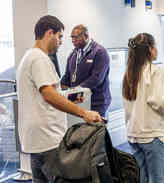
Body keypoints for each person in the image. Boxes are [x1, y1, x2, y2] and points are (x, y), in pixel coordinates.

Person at [16, 15, 102, 183]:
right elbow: (48, 94)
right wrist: (83, 113)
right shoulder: (39, 59)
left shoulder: (29, 57)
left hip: (37, 140)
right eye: (60, 36)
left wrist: (68, 97)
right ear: (49, 33)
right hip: (48, 140)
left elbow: (47, 93)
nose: (61, 41)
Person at [122, 33, 164, 183]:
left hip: (134, 134)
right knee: (159, 179)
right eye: (155, 46)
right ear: (150, 50)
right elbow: (159, 101)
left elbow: (127, 107)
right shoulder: (155, 71)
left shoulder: (129, 73)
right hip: (152, 135)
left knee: (142, 179)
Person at [61, 25, 111, 118]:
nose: (73, 40)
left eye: (76, 37)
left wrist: (75, 90)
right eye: (72, 38)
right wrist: (60, 89)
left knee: (96, 131)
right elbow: (67, 76)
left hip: (96, 103)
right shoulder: (73, 54)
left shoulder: (99, 52)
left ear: (86, 36)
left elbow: (96, 79)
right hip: (79, 101)